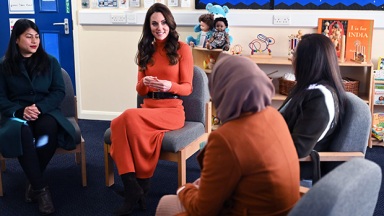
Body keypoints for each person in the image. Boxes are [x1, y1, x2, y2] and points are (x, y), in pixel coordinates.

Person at [156, 53, 300, 215]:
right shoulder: (274, 116)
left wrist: (184, 189)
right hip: (287, 210)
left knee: (165, 205)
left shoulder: (225, 138)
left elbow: (202, 210)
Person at [109, 3, 193, 215]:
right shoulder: (145, 49)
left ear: (170, 23)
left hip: (172, 110)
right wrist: (145, 81)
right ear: (149, 26)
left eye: (163, 22)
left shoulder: (183, 48)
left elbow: (188, 88)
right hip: (149, 107)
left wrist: (169, 86)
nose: (159, 27)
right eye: (154, 23)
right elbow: (139, 88)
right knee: (117, 123)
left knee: (126, 117)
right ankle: (134, 187)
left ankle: (137, 186)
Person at [0, 19, 76, 215]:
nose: (34, 41)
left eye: (36, 36)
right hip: (16, 114)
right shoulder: (5, 65)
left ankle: (33, 181)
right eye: (28, 36)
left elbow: (59, 91)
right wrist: (20, 111)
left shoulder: (50, 61)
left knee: (48, 131)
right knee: (22, 132)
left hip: (45, 111)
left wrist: (39, 107)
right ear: (17, 39)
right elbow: (1, 98)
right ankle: (41, 190)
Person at [278, 33, 347, 178]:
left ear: (307, 61)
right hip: (278, 156)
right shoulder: (305, 88)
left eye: (295, 55)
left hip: (294, 171)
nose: (292, 58)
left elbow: (298, 149)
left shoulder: (320, 98)